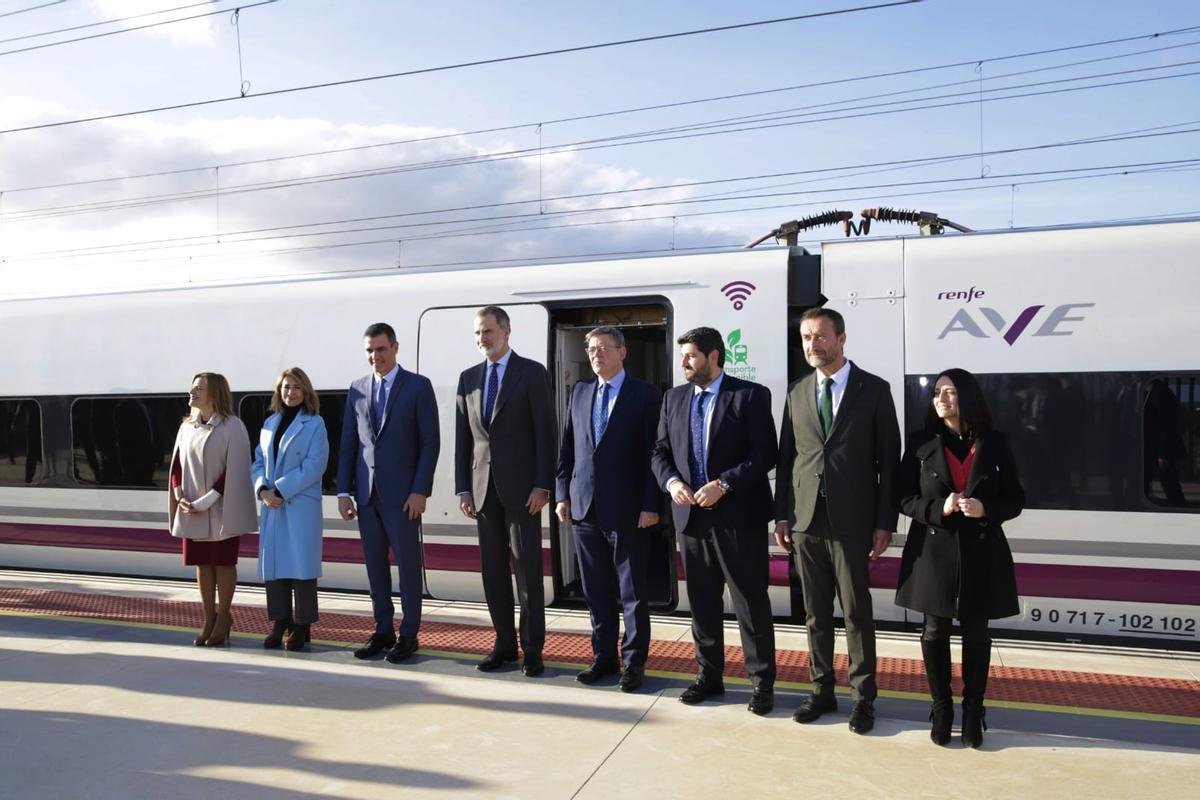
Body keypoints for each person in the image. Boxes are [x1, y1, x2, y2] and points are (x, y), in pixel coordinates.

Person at [774, 307, 900, 735]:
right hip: (807, 520)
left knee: (856, 614)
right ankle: (821, 690)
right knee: (814, 614)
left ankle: (863, 699)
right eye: (807, 337)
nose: (813, 344)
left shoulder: (875, 390)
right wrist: (783, 514)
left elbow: (890, 463)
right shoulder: (796, 391)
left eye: (821, 336)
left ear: (842, 338)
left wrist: (885, 522)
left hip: (853, 521)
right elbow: (788, 458)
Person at [650, 326, 778, 715]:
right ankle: (709, 677)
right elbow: (659, 451)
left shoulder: (750, 395)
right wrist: (671, 482)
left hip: (739, 519)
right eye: (683, 356)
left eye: (691, 355)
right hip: (691, 521)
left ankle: (762, 685)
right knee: (702, 605)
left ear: (714, 356)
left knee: (749, 604)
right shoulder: (673, 399)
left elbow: (765, 454)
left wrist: (724, 484)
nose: (684, 363)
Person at [895, 368, 1024, 748]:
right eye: (937, 392)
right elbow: (901, 498)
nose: (941, 398)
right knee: (934, 632)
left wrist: (987, 509)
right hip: (933, 553)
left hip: (982, 553)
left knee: (976, 634)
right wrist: (939, 506)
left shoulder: (995, 443)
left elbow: (1016, 498)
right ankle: (941, 708)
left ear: (967, 397)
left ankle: (972, 710)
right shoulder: (921, 443)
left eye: (950, 392)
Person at [555, 326, 661, 692]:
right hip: (583, 508)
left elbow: (654, 455)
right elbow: (567, 447)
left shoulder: (646, 395)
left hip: (630, 511)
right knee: (596, 591)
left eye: (603, 348)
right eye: (591, 349)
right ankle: (603, 658)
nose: (596, 354)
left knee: (632, 593)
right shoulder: (580, 392)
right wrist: (561, 494)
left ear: (623, 352)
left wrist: (651, 504)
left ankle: (634, 664)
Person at [455, 306, 555, 677]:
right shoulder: (468, 379)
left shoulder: (531, 373)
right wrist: (463, 488)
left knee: (527, 573)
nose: (482, 338)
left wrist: (543, 484)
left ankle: (532, 649)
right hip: (483, 493)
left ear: (506, 332)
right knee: (492, 572)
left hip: (523, 491)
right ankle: (503, 644)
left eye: (488, 331)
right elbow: (463, 440)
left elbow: (546, 432)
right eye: (478, 333)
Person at [337, 323, 440, 664]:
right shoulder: (358, 388)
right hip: (367, 496)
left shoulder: (418, 387)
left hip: (403, 497)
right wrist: (342, 491)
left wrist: (420, 490)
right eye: (369, 350)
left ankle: (409, 634)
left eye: (380, 349)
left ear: (395, 348)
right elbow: (349, 443)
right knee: (375, 567)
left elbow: (430, 442)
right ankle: (383, 629)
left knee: (408, 567)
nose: (374, 357)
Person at [168, 372, 258, 647]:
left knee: (223, 562)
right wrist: (180, 495)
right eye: (192, 387)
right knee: (202, 562)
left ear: (215, 393)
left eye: (199, 388)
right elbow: (176, 467)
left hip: (221, 507)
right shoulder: (187, 427)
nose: (192, 392)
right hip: (190, 507)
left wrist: (205, 502)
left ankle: (224, 618)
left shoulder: (233, 427)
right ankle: (208, 617)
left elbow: (236, 469)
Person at [251, 367, 329, 652]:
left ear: (305, 391)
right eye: (285, 387)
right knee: (274, 567)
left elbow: (315, 464)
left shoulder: (315, 423)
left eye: (296, 387)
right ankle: (280, 621)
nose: (290, 392)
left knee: (301, 568)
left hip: (297, 504)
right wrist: (261, 489)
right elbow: (258, 461)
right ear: (278, 391)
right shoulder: (269, 423)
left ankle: (303, 625)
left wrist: (280, 489)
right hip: (272, 504)